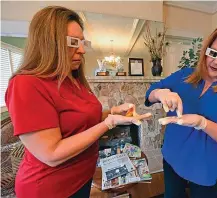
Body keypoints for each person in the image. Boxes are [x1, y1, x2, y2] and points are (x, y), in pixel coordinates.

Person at [5, 6, 149, 198]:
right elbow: (52, 154)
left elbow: (83, 120)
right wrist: (109, 123)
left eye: (82, 42)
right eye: (73, 42)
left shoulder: (72, 79)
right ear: (49, 43)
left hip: (81, 180)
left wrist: (114, 112)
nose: (82, 50)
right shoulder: (26, 84)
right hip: (49, 189)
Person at [145, 21, 217, 198]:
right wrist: (160, 93)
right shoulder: (185, 75)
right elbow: (150, 93)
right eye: (213, 52)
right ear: (206, 49)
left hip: (207, 168)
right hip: (173, 157)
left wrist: (202, 123)